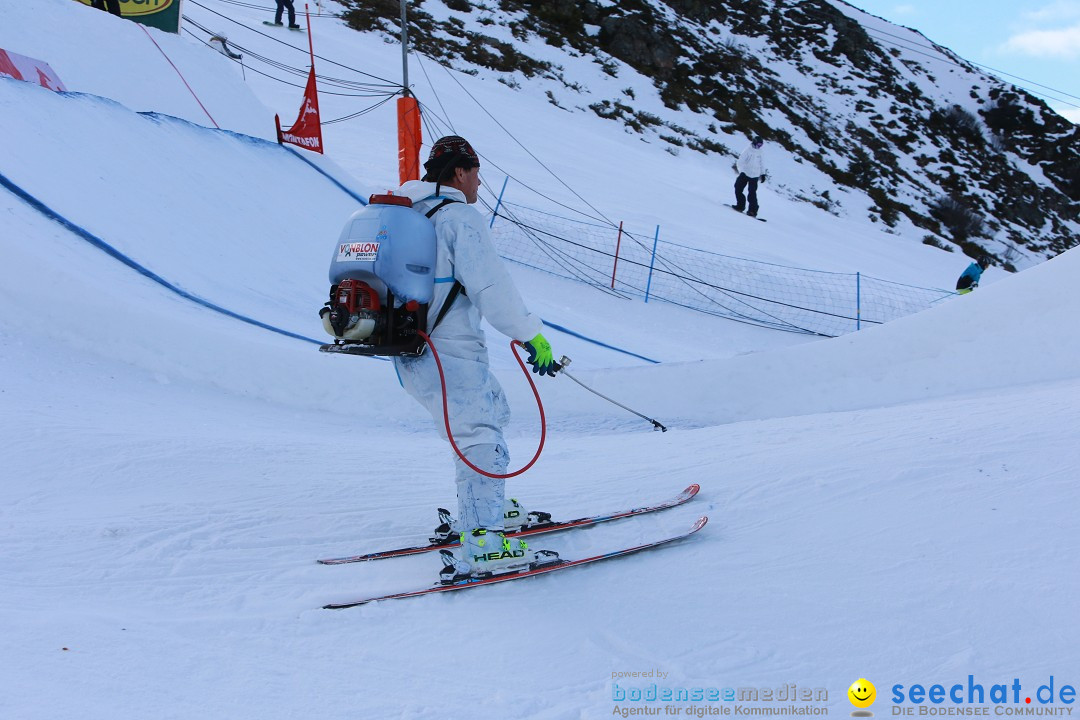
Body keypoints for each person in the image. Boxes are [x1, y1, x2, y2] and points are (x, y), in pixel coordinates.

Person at [392, 135, 560, 583]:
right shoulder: (458, 218)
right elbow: (492, 289)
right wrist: (531, 335)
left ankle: (488, 505)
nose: (480, 185)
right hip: (449, 352)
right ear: (461, 172)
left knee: (489, 412)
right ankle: (484, 539)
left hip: (410, 352)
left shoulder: (407, 213)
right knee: (478, 433)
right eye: (477, 175)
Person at [734, 136, 767, 218]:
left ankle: (752, 211)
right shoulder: (747, 150)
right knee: (738, 188)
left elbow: (762, 164)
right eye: (758, 144)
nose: (759, 146)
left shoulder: (760, 152)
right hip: (745, 173)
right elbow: (740, 161)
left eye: (761, 145)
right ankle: (740, 206)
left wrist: (763, 174)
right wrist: (741, 171)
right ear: (754, 142)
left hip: (754, 175)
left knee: (752, 193)